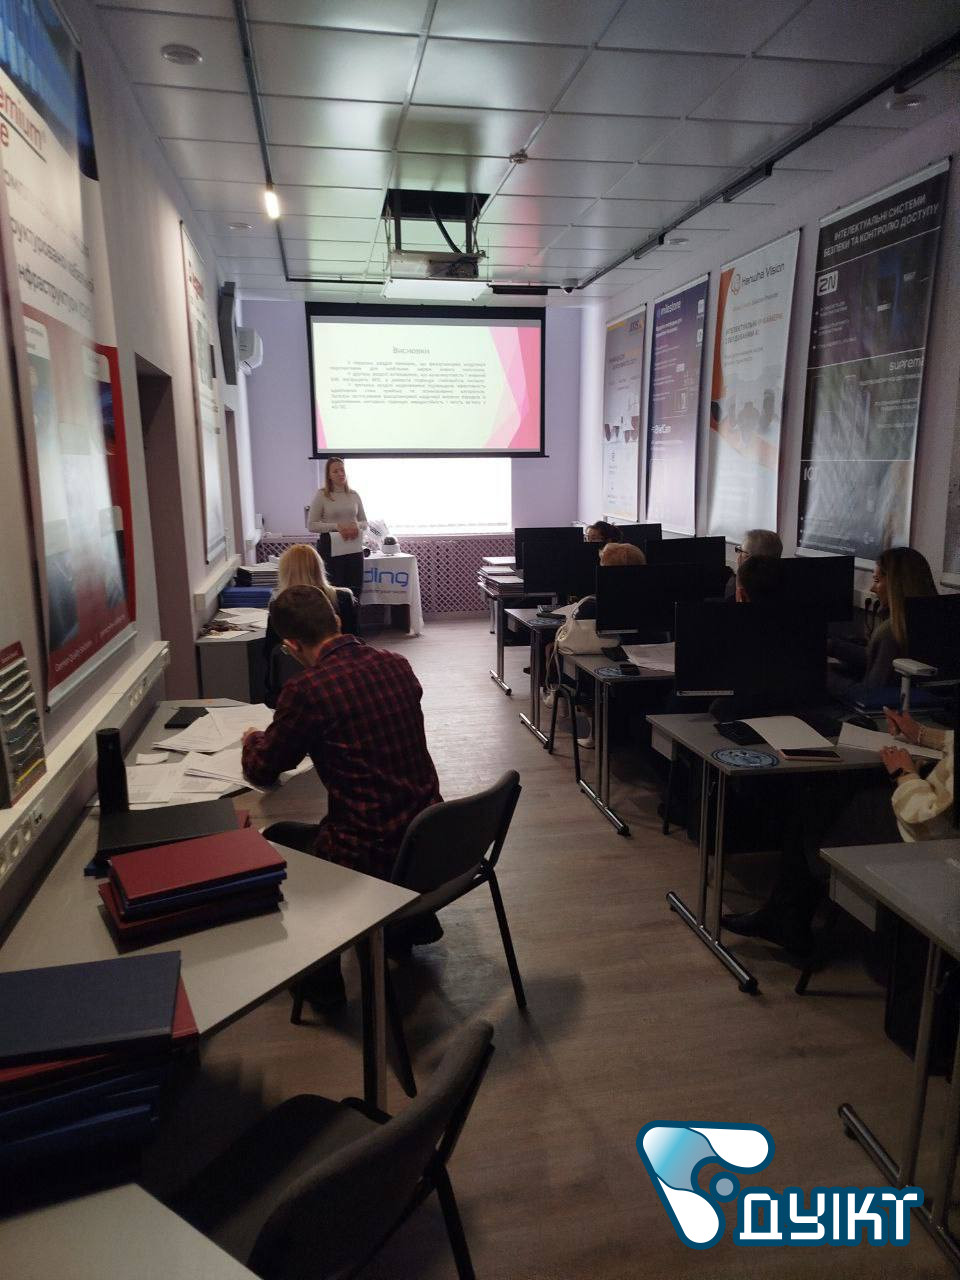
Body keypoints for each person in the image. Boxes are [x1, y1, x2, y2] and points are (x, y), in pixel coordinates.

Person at [242, 585, 442, 1005]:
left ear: (291, 646)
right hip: (427, 839)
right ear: (336, 620)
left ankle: (321, 982)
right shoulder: (397, 664)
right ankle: (405, 927)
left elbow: (263, 768)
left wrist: (250, 739)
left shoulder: (307, 691)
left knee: (276, 838)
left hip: (367, 850)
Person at [721, 706, 954, 953]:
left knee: (822, 801)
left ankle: (789, 916)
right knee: (835, 790)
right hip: (929, 810)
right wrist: (922, 734)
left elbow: (931, 824)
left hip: (928, 842)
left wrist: (903, 773)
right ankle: (787, 914)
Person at [262, 544, 358, 708]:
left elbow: (269, 652)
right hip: (343, 681)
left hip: (292, 683)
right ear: (319, 568)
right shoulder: (344, 598)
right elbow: (355, 639)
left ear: (285, 572)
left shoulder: (280, 607)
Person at [829, 546, 937, 689]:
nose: (872, 588)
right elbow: (876, 658)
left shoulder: (890, 632)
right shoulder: (933, 620)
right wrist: (833, 646)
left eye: (877, 580)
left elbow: (870, 695)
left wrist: (826, 677)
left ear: (895, 585)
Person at [307, 458, 367, 601]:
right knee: (334, 590)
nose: (340, 473)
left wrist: (356, 526)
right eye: (335, 471)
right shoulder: (322, 495)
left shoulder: (354, 494)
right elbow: (311, 525)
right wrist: (336, 527)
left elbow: (364, 522)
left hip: (353, 547)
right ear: (329, 475)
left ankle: (353, 615)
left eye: (342, 470)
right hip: (330, 548)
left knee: (355, 590)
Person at [724, 528, 782, 599]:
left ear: (750, 560)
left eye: (741, 551)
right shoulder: (786, 586)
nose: (739, 557)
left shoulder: (735, 588)